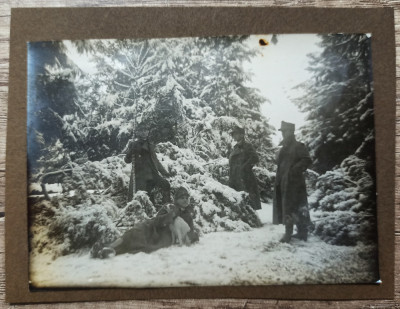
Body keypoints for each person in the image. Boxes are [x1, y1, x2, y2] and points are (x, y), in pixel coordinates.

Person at [273, 121, 312, 243]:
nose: (283, 134)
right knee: (288, 207)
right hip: (284, 182)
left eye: (285, 131)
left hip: (295, 184)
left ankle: (297, 233)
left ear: (292, 132)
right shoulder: (283, 148)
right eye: (282, 131)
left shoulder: (299, 146)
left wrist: (293, 170)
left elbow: (306, 160)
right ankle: (295, 232)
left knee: (296, 207)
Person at [124, 136, 171, 203]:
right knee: (144, 197)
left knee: (166, 184)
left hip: (152, 174)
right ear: (138, 132)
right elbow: (127, 160)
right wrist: (130, 152)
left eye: (146, 130)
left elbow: (156, 161)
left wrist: (164, 172)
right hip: (140, 177)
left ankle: (166, 205)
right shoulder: (134, 145)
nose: (144, 133)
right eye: (142, 130)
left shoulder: (150, 145)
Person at [228, 126, 261, 210]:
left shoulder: (247, 146)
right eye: (233, 134)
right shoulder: (235, 148)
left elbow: (255, 158)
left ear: (242, 135)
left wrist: (244, 167)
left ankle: (251, 219)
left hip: (245, 177)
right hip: (234, 176)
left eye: (236, 134)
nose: (234, 136)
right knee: (236, 199)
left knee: (247, 199)